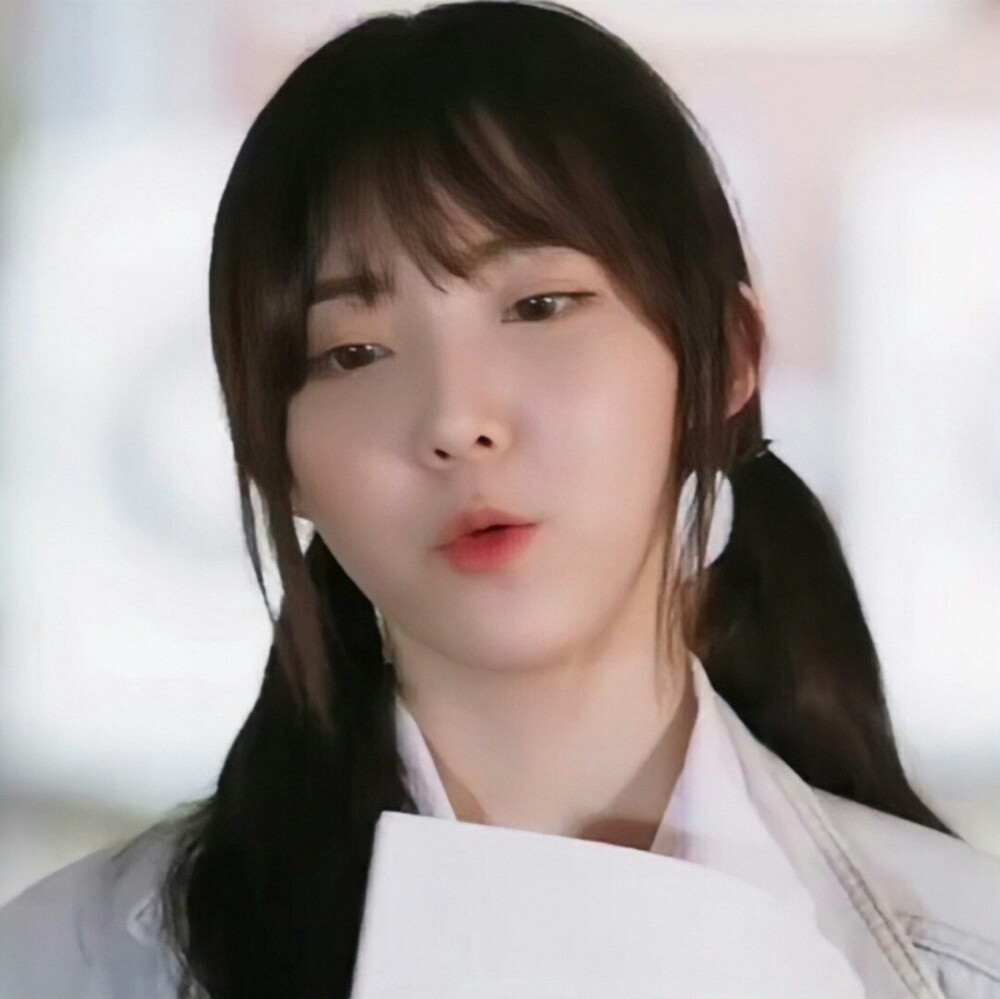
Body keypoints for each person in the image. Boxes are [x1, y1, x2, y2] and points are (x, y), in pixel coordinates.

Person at [2, 2, 999, 997]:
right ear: (275, 453)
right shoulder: (66, 967)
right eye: (353, 352)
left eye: (537, 306)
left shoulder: (961, 956)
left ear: (724, 359)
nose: (455, 419)